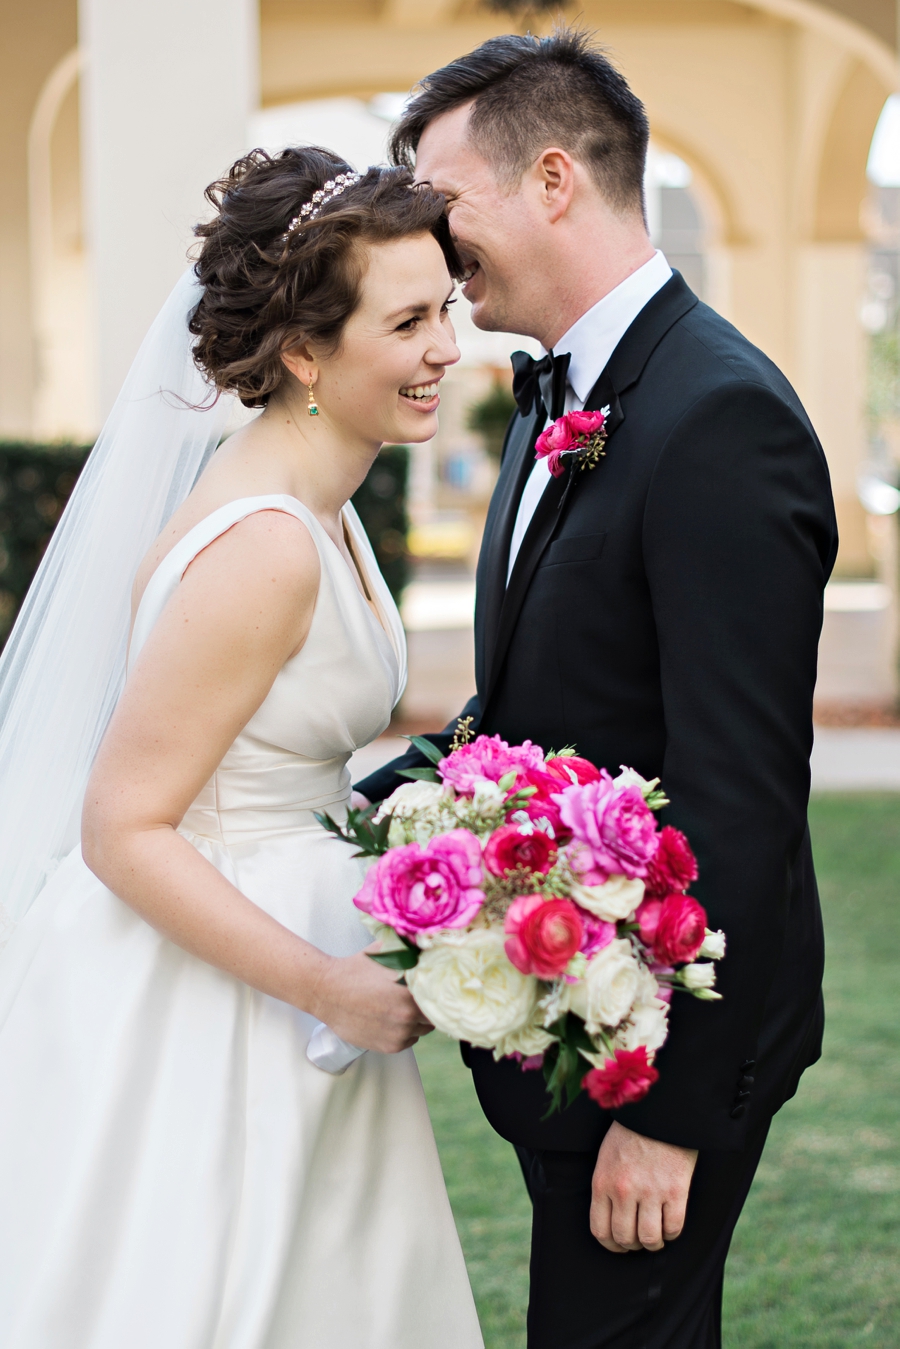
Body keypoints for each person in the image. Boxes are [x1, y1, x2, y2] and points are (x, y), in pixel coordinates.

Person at [354, 29, 838, 1349]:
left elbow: (737, 793)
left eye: (444, 202)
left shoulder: (717, 415)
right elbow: (533, 705)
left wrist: (668, 1111)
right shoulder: (556, 392)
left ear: (555, 178)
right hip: (568, 1030)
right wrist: (361, 806)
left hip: (658, 1053)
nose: (432, 247)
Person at [0, 148, 484, 1349]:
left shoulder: (321, 505)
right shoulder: (264, 543)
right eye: (410, 319)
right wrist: (331, 985)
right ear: (307, 353)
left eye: (450, 311)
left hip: (294, 959)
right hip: (217, 1000)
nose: (447, 350)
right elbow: (122, 826)